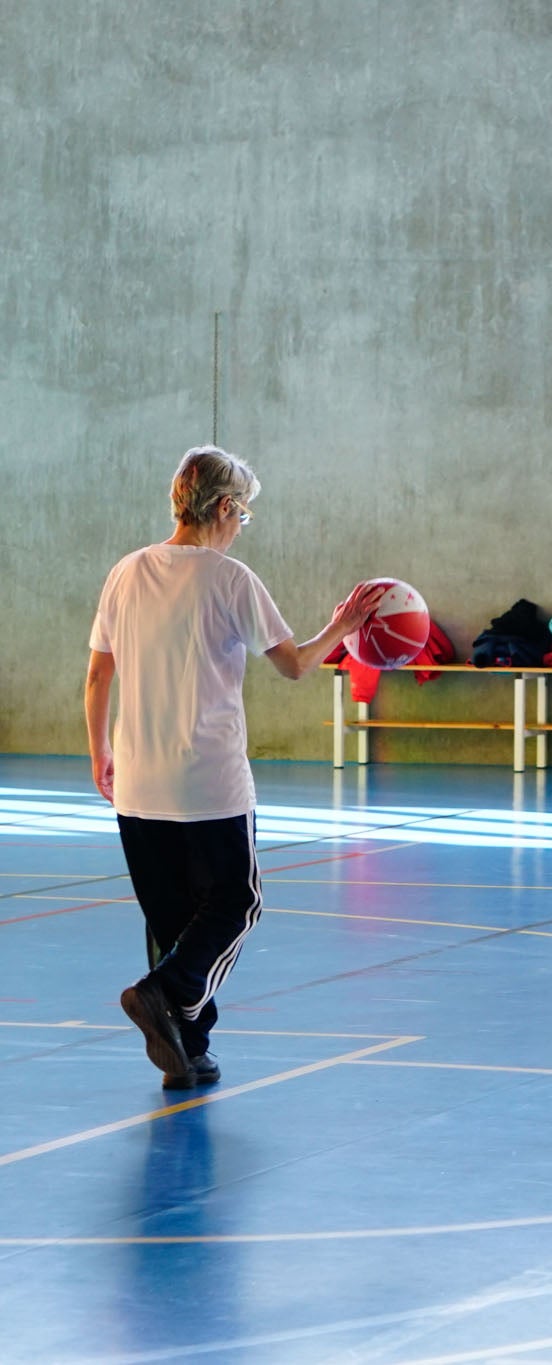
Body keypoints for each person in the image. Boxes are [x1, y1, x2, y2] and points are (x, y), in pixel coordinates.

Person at [85, 445, 386, 1088]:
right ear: (224, 507)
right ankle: (162, 996)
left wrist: (100, 752)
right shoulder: (230, 579)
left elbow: (97, 675)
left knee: (171, 922)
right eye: (243, 515)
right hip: (210, 784)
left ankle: (186, 1052)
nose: (240, 526)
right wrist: (342, 625)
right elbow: (295, 664)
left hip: (138, 781)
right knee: (236, 903)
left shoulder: (125, 572)